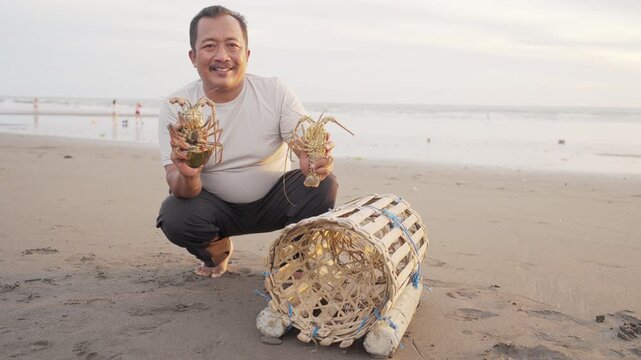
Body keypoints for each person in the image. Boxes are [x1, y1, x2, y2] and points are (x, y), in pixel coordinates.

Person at [156, 6, 337, 278]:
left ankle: (298, 258)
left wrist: (314, 161)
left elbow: (304, 143)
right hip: (214, 207)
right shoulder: (176, 107)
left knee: (323, 184)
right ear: (193, 57)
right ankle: (216, 251)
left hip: (276, 201)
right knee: (175, 214)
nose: (222, 56)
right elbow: (179, 186)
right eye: (209, 46)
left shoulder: (274, 91)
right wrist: (190, 175)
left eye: (232, 45)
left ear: (246, 54)